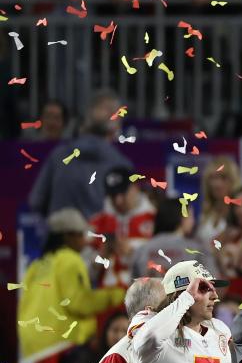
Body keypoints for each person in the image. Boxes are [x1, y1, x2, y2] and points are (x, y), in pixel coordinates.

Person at [18, 209, 127, 363]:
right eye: (81, 235)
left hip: (32, 345)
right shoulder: (70, 260)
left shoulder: (37, 265)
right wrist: (117, 294)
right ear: (67, 236)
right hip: (59, 345)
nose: (85, 240)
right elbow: (78, 302)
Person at [28, 89, 131, 218]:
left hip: (59, 234)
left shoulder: (58, 155)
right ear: (116, 126)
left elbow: (36, 201)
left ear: (86, 121)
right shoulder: (121, 164)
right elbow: (127, 211)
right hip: (100, 236)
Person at [88, 169, 156, 286]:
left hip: (144, 299)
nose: (118, 201)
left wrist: (133, 252)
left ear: (135, 187)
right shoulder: (97, 223)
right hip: (105, 300)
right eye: (113, 195)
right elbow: (84, 275)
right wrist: (101, 256)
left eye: (123, 193)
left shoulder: (155, 218)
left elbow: (167, 263)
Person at [130, 198, 223, 282]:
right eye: (191, 216)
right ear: (183, 218)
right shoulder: (197, 250)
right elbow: (214, 284)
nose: (193, 221)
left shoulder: (142, 250)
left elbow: (133, 290)